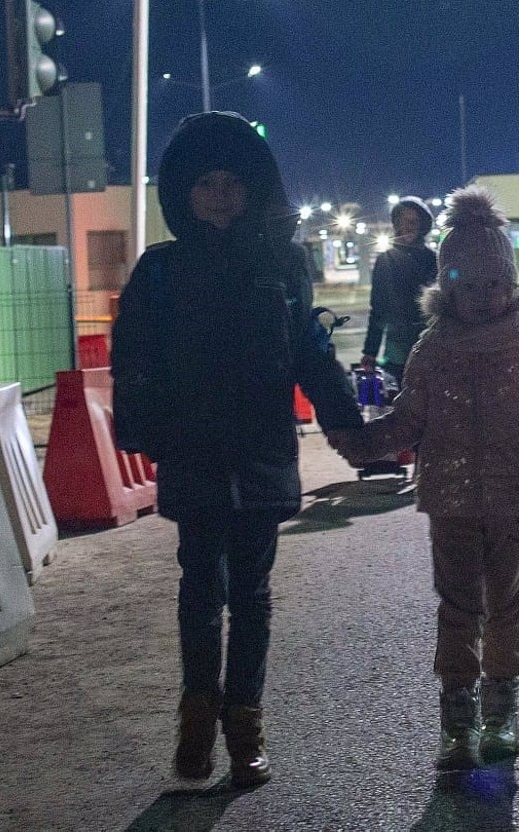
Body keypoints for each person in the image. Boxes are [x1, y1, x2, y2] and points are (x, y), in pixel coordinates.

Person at [110, 112, 363, 789]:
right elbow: (132, 355)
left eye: (231, 183)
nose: (220, 196)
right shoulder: (160, 271)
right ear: (184, 194)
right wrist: (142, 430)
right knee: (201, 586)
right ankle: (195, 723)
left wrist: (349, 423)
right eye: (206, 184)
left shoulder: (279, 263)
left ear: (250, 189)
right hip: (193, 448)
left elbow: (309, 348)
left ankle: (244, 725)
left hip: (258, 445)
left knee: (251, 592)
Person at [336, 187, 519, 771]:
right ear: (448, 287)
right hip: (448, 497)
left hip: (510, 496)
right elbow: (409, 419)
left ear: (511, 282)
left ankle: (501, 711)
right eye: (469, 285)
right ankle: (457, 721)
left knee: (505, 604)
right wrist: (361, 441)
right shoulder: (432, 348)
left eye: (494, 284)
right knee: (456, 607)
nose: (483, 297)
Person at [360, 197, 437, 383]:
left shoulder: (433, 260)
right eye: (402, 221)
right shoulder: (385, 260)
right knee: (400, 404)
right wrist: (370, 352)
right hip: (397, 348)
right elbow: (378, 309)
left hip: (430, 343)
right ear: (396, 224)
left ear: (422, 226)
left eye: (413, 221)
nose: (407, 227)